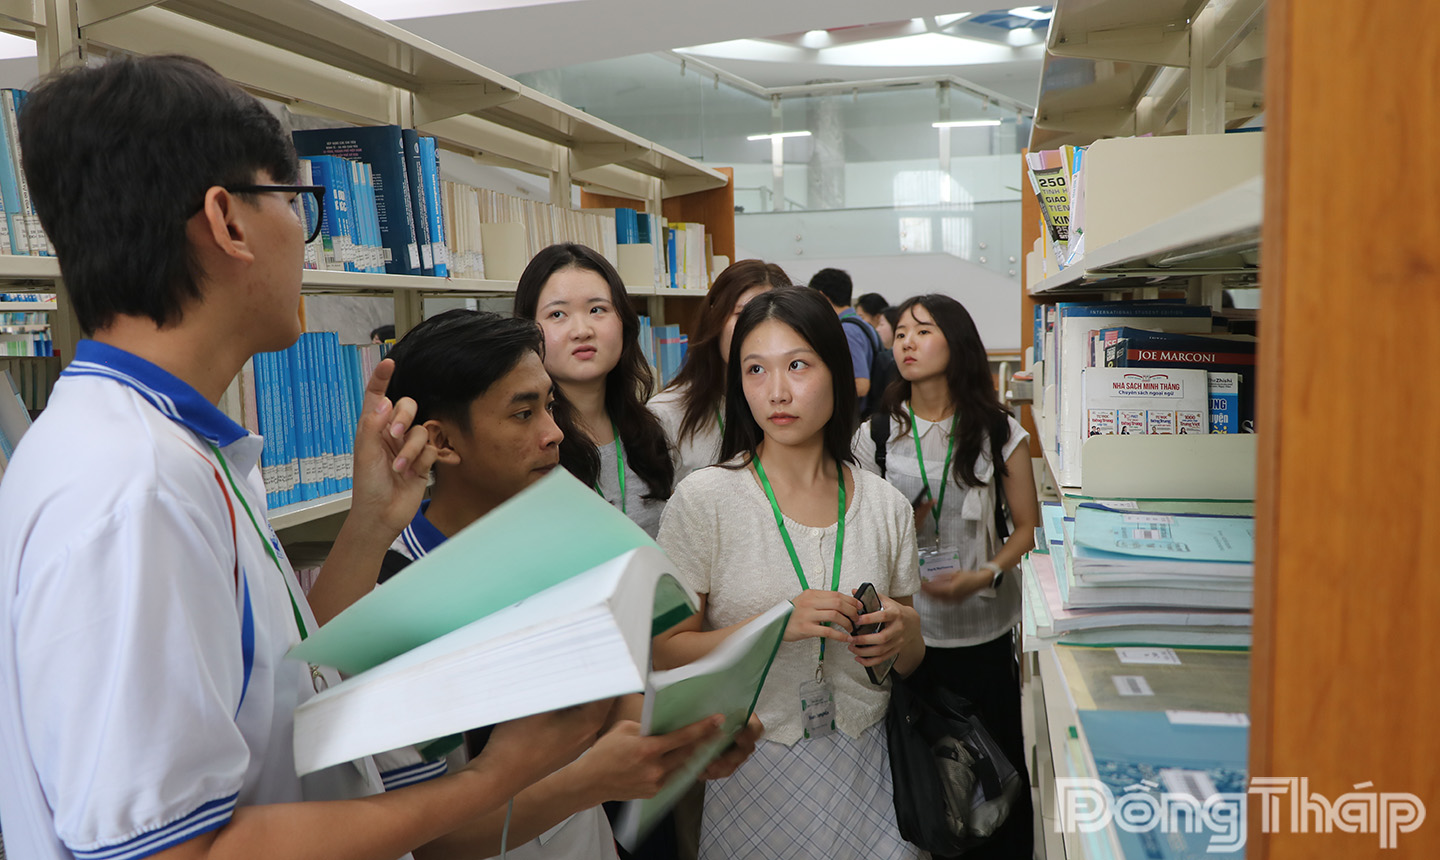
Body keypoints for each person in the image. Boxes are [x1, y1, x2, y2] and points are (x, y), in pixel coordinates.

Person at [0, 54, 606, 860]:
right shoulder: (135, 486)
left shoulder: (161, 446)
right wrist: (492, 779)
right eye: (299, 203)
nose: (307, 237)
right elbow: (178, 852)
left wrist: (367, 527)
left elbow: (272, 704)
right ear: (228, 222)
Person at [376, 308, 760, 860]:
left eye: (549, 405)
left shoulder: (556, 550)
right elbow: (428, 840)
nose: (554, 433)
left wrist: (693, 733)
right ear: (441, 441)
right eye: (523, 413)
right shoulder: (396, 608)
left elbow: (604, 706)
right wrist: (587, 784)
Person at [652, 288, 926, 860]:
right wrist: (774, 624)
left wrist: (903, 633)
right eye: (756, 370)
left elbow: (910, 657)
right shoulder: (705, 501)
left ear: (837, 369)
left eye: (798, 365)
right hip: (749, 766)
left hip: (866, 765)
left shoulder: (884, 506)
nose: (777, 392)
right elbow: (665, 652)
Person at [853, 294, 1040, 860]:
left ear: (955, 343)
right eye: (901, 333)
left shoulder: (997, 429)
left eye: (923, 331)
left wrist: (983, 572)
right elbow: (862, 532)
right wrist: (901, 524)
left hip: (983, 636)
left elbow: (1027, 528)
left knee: (995, 780)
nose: (906, 342)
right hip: (912, 640)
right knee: (924, 780)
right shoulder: (877, 435)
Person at [515, 244, 674, 537]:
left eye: (597, 309)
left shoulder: (652, 431)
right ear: (528, 330)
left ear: (624, 322)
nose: (582, 330)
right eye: (558, 314)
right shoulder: (524, 445)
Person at [648, 259, 792, 481]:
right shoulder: (666, 414)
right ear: (714, 317)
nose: (754, 329)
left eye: (769, 316)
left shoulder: (790, 405)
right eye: (742, 314)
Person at [807, 267, 876, 411]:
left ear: (822, 297)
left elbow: (861, 385)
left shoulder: (846, 331)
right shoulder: (863, 325)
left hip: (854, 416)